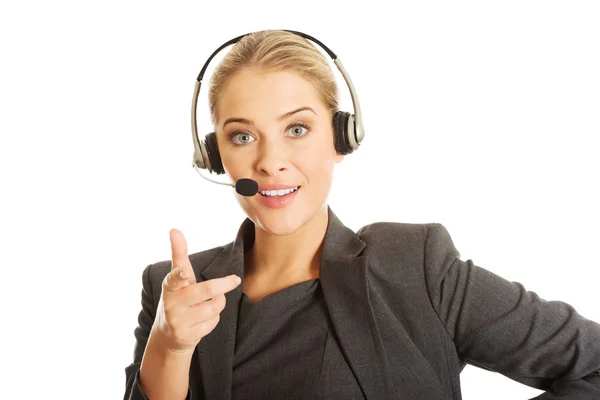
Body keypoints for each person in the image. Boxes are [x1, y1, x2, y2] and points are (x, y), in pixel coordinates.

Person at [123, 30, 600, 400]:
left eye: (297, 128)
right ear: (214, 156)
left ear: (341, 138)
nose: (270, 162)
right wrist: (169, 345)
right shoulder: (173, 289)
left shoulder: (416, 266)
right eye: (242, 136)